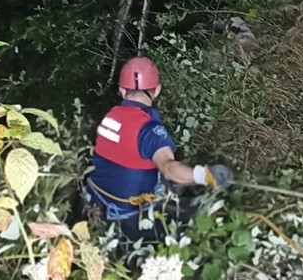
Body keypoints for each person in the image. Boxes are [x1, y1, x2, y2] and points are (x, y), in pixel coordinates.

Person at [82, 56, 233, 242]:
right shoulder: (149, 130)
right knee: (194, 224)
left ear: (121, 90)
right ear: (157, 90)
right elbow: (169, 168)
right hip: (126, 220)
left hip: (92, 205)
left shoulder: (111, 116)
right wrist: (206, 175)